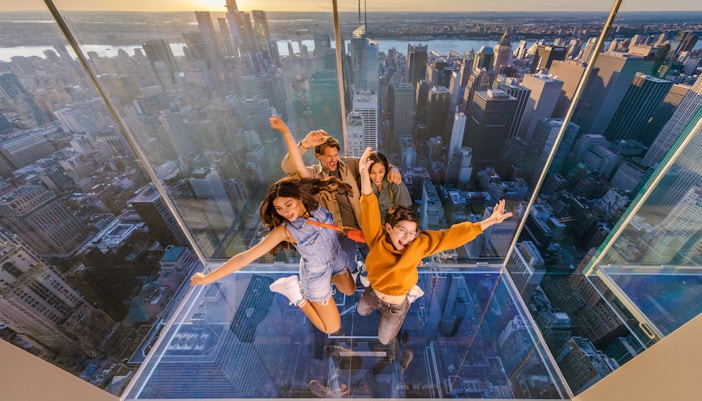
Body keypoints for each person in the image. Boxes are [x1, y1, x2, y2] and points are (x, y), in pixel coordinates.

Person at [189, 121, 357, 335]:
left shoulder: (314, 202)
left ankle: (330, 286)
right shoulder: (285, 230)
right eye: (279, 208)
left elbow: (297, 163)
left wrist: (287, 132)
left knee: (350, 290)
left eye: (289, 204)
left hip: (336, 258)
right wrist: (207, 278)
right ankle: (294, 293)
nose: (286, 212)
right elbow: (245, 256)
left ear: (300, 197)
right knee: (331, 328)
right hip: (316, 275)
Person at [356, 147, 513, 344]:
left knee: (385, 340)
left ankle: (408, 298)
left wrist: (487, 222)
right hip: (373, 292)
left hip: (395, 306)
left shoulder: (417, 245)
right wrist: (363, 173)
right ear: (388, 228)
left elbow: (450, 236)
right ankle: (382, 294)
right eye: (402, 231)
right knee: (360, 311)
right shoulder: (376, 238)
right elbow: (368, 204)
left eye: (412, 232)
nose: (407, 238)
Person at [280, 127, 402, 281]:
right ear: (318, 156)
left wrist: (393, 168)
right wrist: (304, 144)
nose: (333, 160)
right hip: (340, 233)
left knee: (376, 257)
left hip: (364, 226)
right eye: (328, 156)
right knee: (347, 263)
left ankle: (366, 271)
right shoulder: (312, 174)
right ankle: (354, 270)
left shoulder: (350, 164)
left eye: (336, 155)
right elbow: (288, 168)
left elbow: (376, 163)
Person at [367, 150, 412, 224]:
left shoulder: (395, 183)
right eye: (372, 173)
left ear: (386, 169)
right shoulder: (364, 184)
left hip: (391, 228)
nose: (377, 177)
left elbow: (405, 213)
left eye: (381, 171)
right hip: (372, 228)